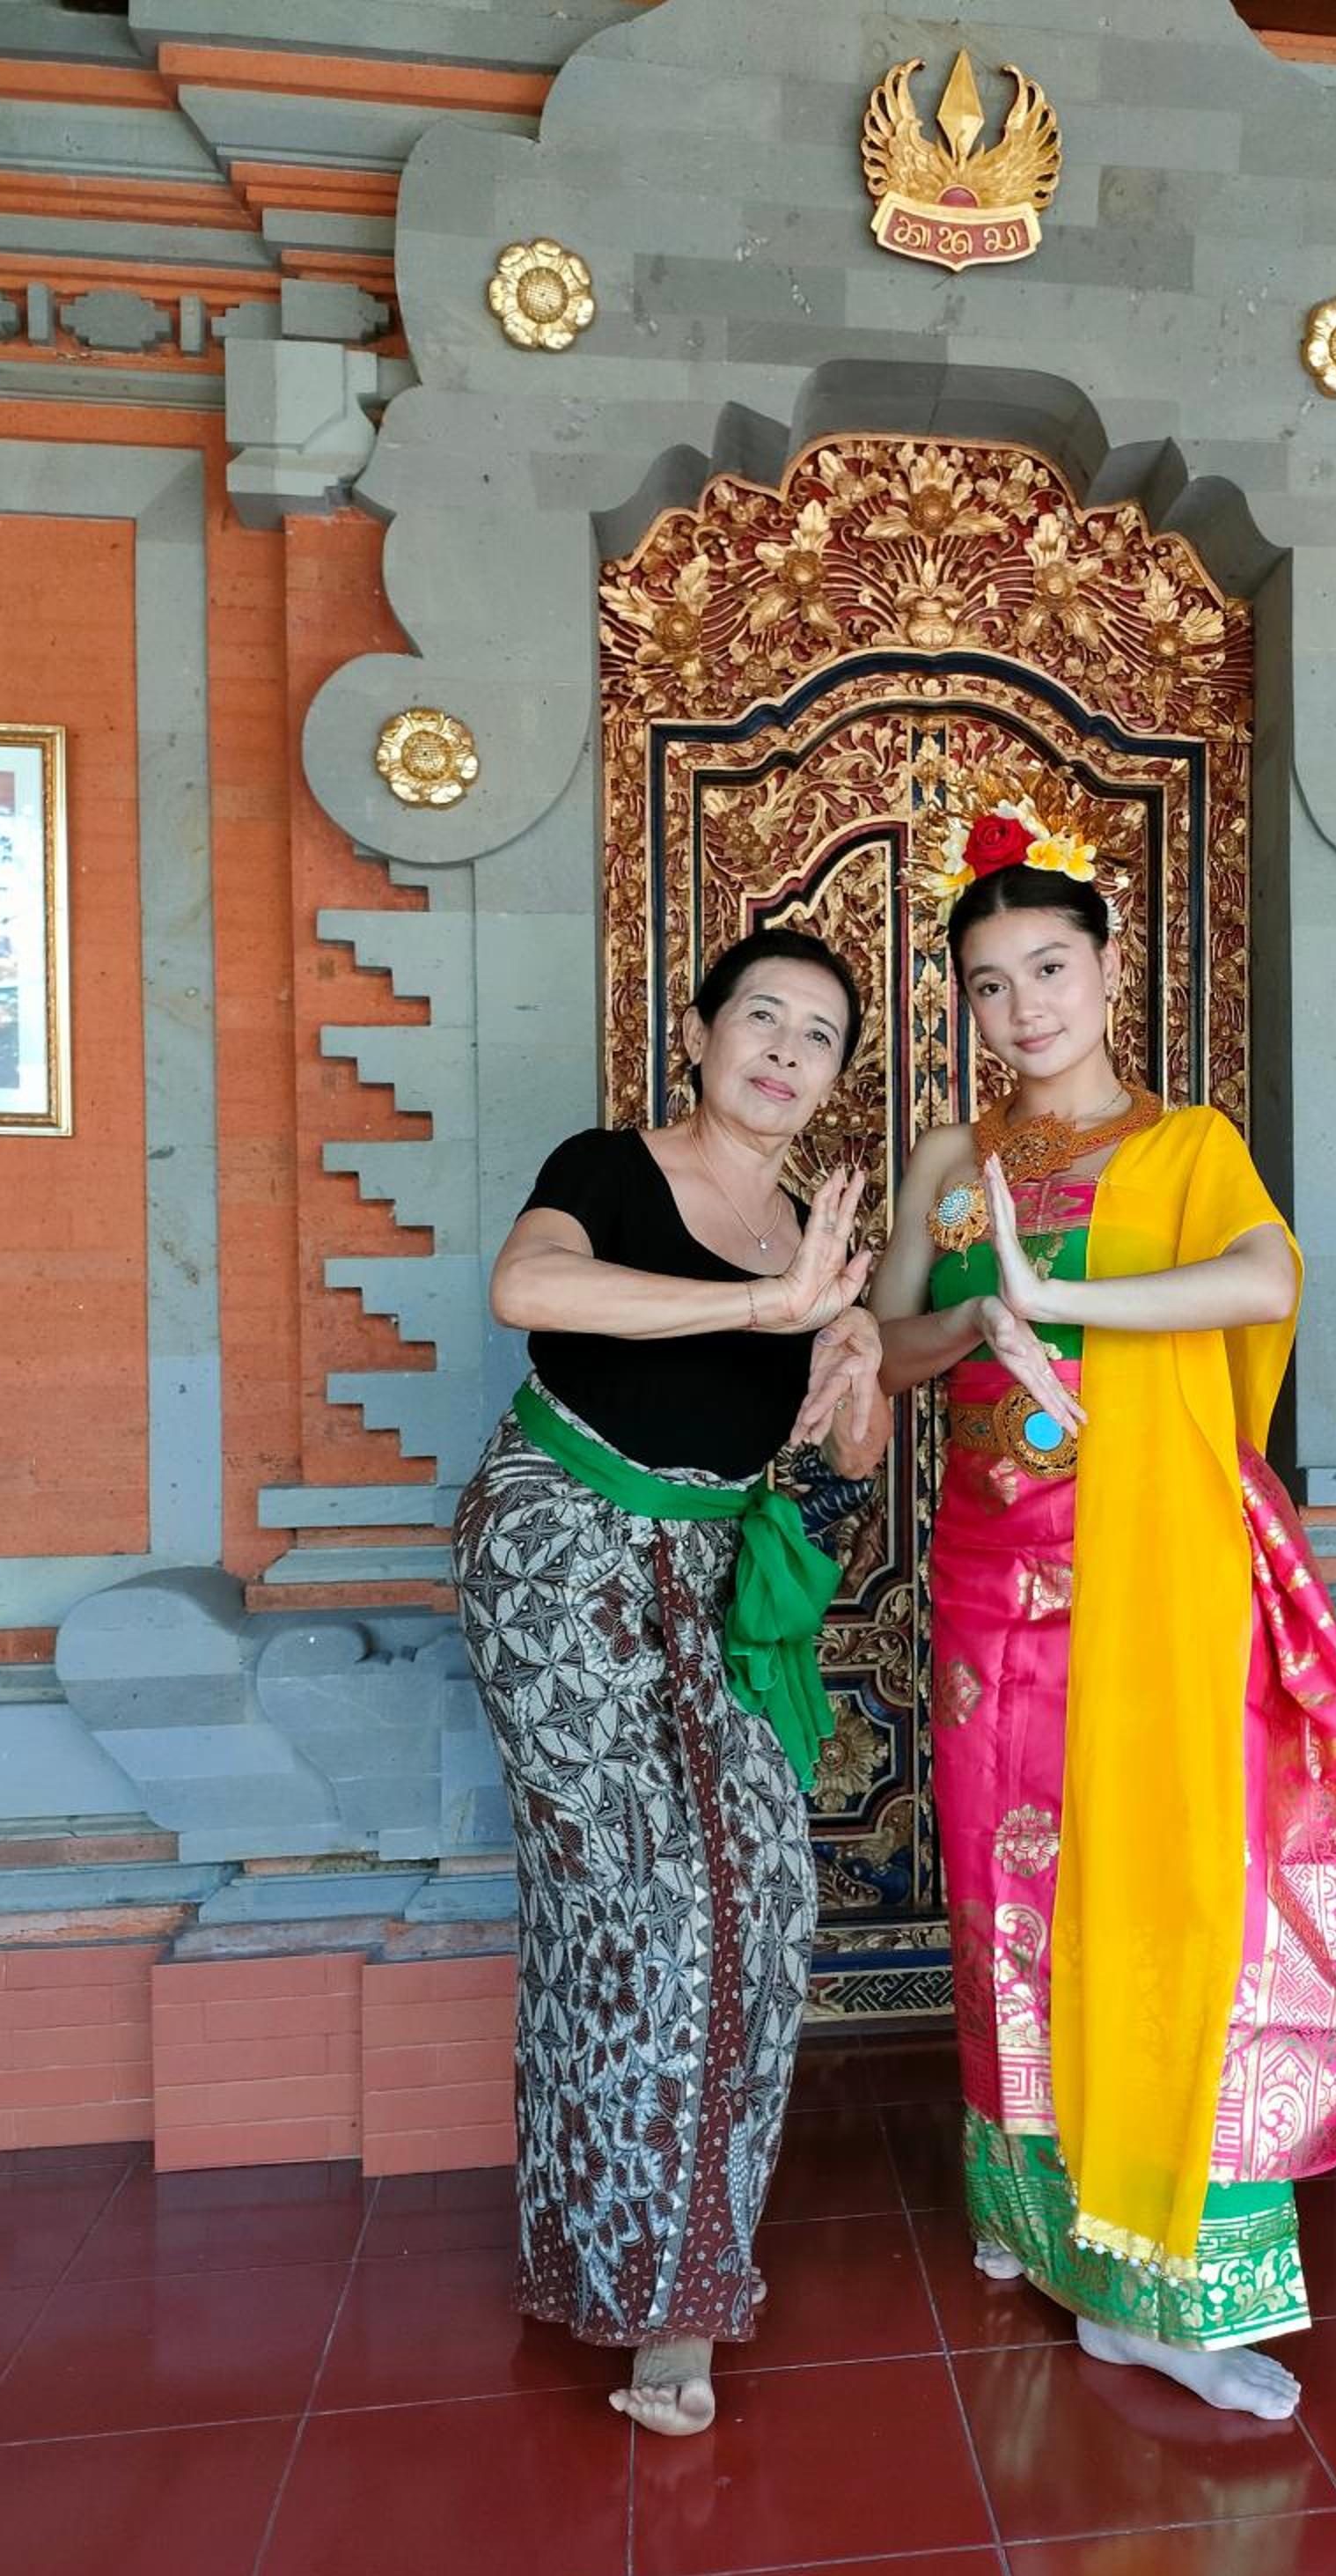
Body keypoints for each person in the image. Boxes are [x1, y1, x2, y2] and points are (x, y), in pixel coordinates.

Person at [871, 813, 1336, 2425]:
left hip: (1144, 1571)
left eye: (1048, 967)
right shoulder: (951, 1164)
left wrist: (1061, 1303)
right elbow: (890, 1351)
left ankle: (1157, 2273)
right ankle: (1037, 2217)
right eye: (987, 983)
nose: (1022, 1006)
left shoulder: (1186, 1145)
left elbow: (1261, 1280)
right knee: (1010, 1898)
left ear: (1109, 972)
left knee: (1166, 1893)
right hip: (987, 1584)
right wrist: (980, 1310)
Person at [452, 929, 889, 2438]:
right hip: (553, 1563)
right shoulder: (610, 1168)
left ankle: (650, 2250)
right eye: (759, 1016)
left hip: (703, 1589)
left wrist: (850, 1375)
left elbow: (838, 1470)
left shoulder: (814, 1238)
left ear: (833, 1079)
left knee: (762, 1902)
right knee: (635, 1913)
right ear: (699, 1035)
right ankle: (657, 2302)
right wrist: (759, 1310)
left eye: (817, 1035)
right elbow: (526, 1288)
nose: (783, 1049)